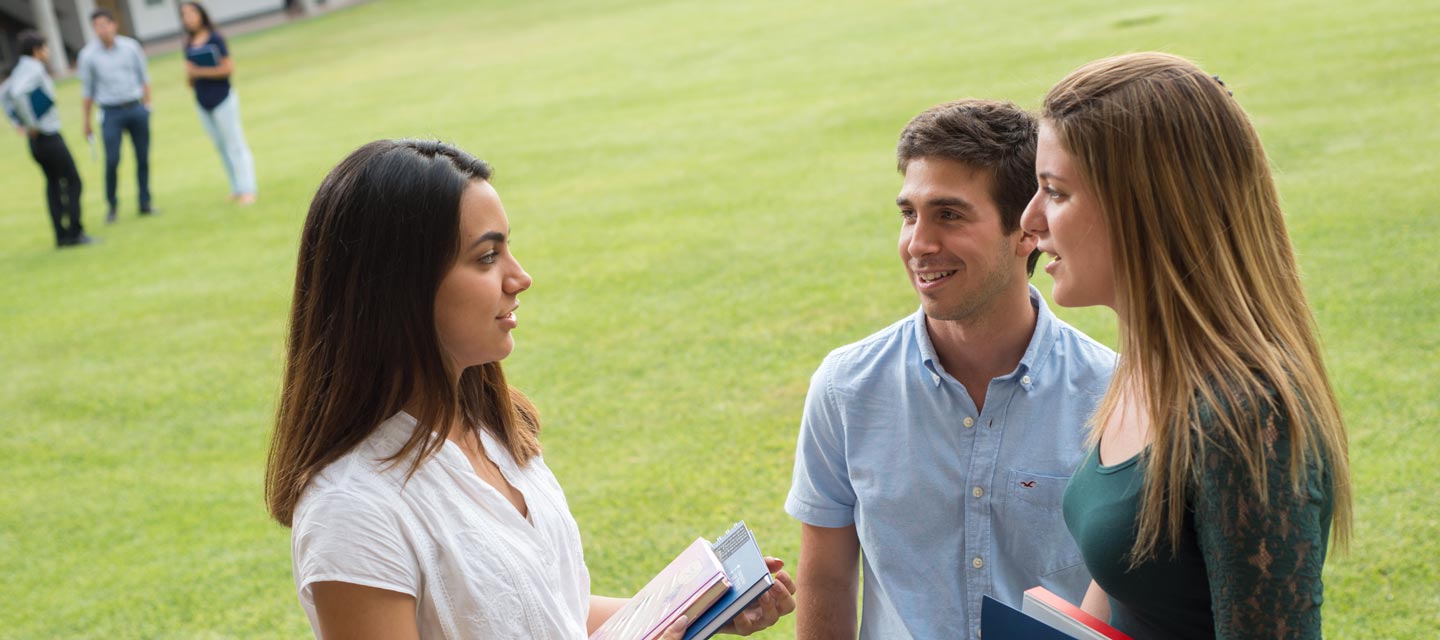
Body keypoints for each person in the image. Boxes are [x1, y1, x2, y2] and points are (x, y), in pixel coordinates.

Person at [265, 140, 797, 639]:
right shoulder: (353, 509)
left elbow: (548, 610)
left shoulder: (487, 428)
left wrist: (696, 608)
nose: (520, 278)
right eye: (486, 257)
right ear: (400, 288)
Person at [1020, 52, 1353, 639]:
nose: (1030, 220)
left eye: (1056, 192)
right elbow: (1130, 577)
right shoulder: (1147, 367)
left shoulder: (1245, 417)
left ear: (1147, 207)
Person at [785, 99, 1116, 639]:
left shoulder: (1114, 395)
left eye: (949, 215)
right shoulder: (846, 388)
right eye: (909, 214)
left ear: (1026, 231)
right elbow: (826, 578)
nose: (918, 243)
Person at [3, 31, 93, 248]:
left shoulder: (18, 70)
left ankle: (61, 235)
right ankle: (75, 232)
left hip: (37, 142)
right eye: (46, 47)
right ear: (37, 50)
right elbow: (16, 94)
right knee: (73, 181)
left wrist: (18, 121)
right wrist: (30, 123)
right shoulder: (33, 69)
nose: (48, 52)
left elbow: (4, 95)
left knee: (53, 184)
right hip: (48, 137)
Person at [78, 9, 155, 223]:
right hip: (111, 112)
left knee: (142, 157)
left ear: (114, 25)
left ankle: (145, 202)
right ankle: (112, 205)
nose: (101, 29)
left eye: (104, 24)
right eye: (96, 26)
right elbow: (87, 92)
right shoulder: (88, 56)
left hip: (135, 107)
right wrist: (86, 121)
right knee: (112, 160)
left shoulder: (130, 47)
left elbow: (144, 77)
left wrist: (148, 105)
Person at [180, 2, 257, 205]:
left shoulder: (215, 38)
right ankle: (236, 187)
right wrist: (190, 74)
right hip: (202, 101)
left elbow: (227, 69)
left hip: (222, 99)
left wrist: (200, 71)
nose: (188, 17)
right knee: (220, 146)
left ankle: (248, 188)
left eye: (191, 12)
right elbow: (190, 80)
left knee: (235, 144)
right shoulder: (188, 43)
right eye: (184, 14)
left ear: (201, 14)